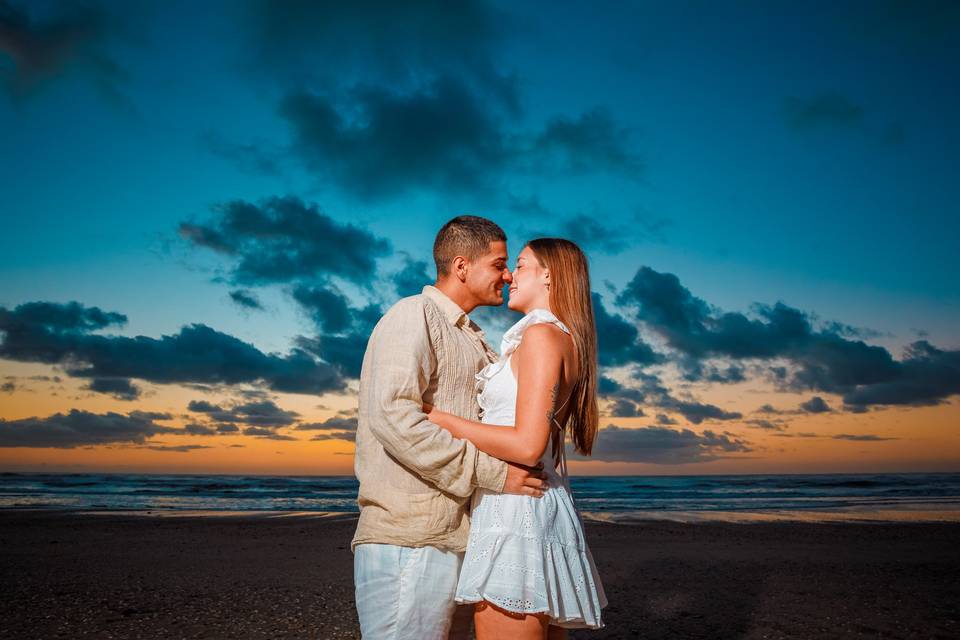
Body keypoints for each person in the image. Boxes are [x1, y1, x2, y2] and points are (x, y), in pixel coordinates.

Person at [352, 215, 550, 640]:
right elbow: (395, 418)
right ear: (462, 266)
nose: (508, 274)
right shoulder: (412, 315)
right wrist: (498, 475)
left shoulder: (475, 338)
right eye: (498, 264)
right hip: (410, 537)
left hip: (459, 537)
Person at [425, 238, 608, 639]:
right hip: (534, 502)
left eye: (520, 265)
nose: (510, 275)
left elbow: (528, 445)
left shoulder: (542, 336)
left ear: (549, 275)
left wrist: (441, 419)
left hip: (517, 508)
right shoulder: (552, 337)